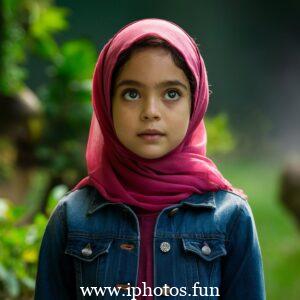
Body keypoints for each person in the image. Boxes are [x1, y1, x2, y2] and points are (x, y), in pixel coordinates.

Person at [34, 18, 266, 300]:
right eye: (131, 94)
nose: (151, 111)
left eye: (171, 93)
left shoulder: (230, 218)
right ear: (107, 104)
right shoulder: (72, 218)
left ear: (195, 102)